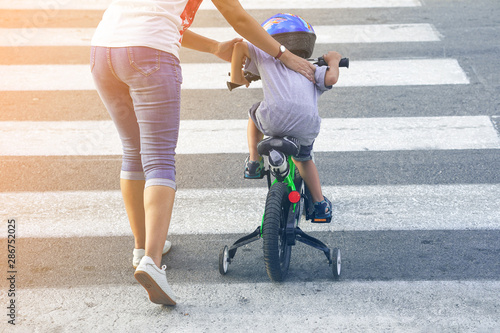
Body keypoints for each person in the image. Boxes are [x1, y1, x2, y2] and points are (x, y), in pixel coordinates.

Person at [90, 1, 316, 306]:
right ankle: (153, 265)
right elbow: (237, 17)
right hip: (150, 54)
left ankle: (142, 249)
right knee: (159, 159)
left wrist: (213, 47)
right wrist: (285, 55)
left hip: (103, 51)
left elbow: (162, 20)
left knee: (133, 152)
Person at [229, 13, 342, 221]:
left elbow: (239, 46)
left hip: (273, 120)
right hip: (306, 125)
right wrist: (333, 60)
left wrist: (238, 76)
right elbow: (332, 77)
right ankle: (319, 205)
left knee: (254, 113)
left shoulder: (264, 56)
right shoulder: (312, 68)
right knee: (305, 159)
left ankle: (254, 162)